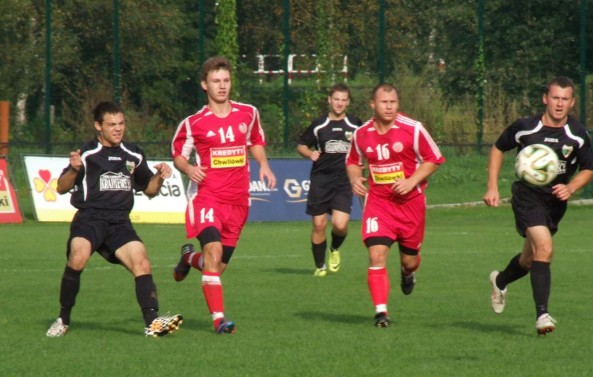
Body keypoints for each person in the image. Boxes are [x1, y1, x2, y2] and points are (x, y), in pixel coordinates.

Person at [46, 101, 183, 338]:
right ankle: (63, 319)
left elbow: (150, 190)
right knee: (77, 257)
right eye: (111, 125)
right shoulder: (87, 154)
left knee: (142, 261)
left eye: (121, 123)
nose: (118, 129)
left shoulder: (133, 154)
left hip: (119, 222)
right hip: (89, 218)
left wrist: (160, 177)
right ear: (98, 126)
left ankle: (152, 323)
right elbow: (60, 187)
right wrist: (74, 170)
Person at [483, 76, 593, 335]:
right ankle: (542, 315)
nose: (559, 104)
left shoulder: (577, 135)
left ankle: (500, 280)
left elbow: (589, 167)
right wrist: (492, 186)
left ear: (572, 103)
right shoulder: (526, 127)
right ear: (545, 98)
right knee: (545, 248)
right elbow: (498, 148)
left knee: (529, 260)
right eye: (555, 98)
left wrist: (571, 187)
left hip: (555, 202)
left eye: (565, 99)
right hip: (527, 196)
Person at [171, 56, 276, 334]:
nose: (222, 86)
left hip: (238, 201)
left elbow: (255, 141)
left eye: (226, 80)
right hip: (207, 198)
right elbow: (179, 157)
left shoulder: (248, 113)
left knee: (216, 265)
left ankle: (188, 258)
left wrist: (263, 165)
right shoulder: (194, 123)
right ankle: (219, 319)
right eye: (216, 81)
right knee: (214, 252)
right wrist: (189, 168)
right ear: (205, 85)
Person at [346, 83, 445, 327]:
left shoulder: (413, 129)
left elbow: (434, 159)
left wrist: (412, 181)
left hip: (410, 205)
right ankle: (381, 313)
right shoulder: (361, 134)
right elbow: (352, 161)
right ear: (373, 104)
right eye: (384, 102)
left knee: (409, 260)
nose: (389, 107)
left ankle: (408, 273)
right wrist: (355, 178)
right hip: (379, 203)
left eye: (393, 102)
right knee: (376, 254)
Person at [296, 84, 362, 277]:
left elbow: (366, 143)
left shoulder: (356, 124)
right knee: (319, 224)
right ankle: (320, 266)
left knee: (341, 225)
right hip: (321, 180)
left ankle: (334, 249)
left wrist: (363, 162)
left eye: (343, 100)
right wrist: (309, 153)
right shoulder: (319, 125)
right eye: (336, 99)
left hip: (343, 181)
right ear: (329, 100)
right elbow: (301, 145)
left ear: (348, 102)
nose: (340, 103)